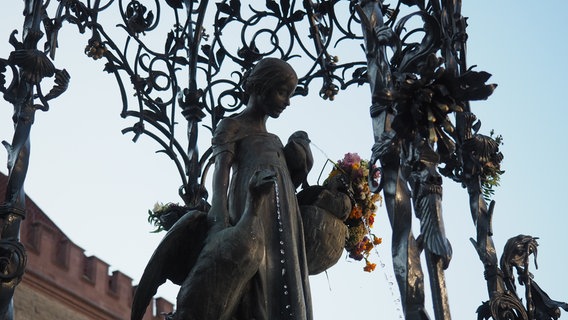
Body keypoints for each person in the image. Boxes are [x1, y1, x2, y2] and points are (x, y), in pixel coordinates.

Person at [207, 57, 313, 320]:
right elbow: (221, 173)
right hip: (250, 207)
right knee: (256, 275)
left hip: (284, 215)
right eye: (281, 92)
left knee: (282, 271)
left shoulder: (275, 139)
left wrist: (299, 160)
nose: (287, 102)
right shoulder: (232, 125)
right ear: (260, 87)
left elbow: (289, 183)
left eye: (289, 95)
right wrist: (218, 223)